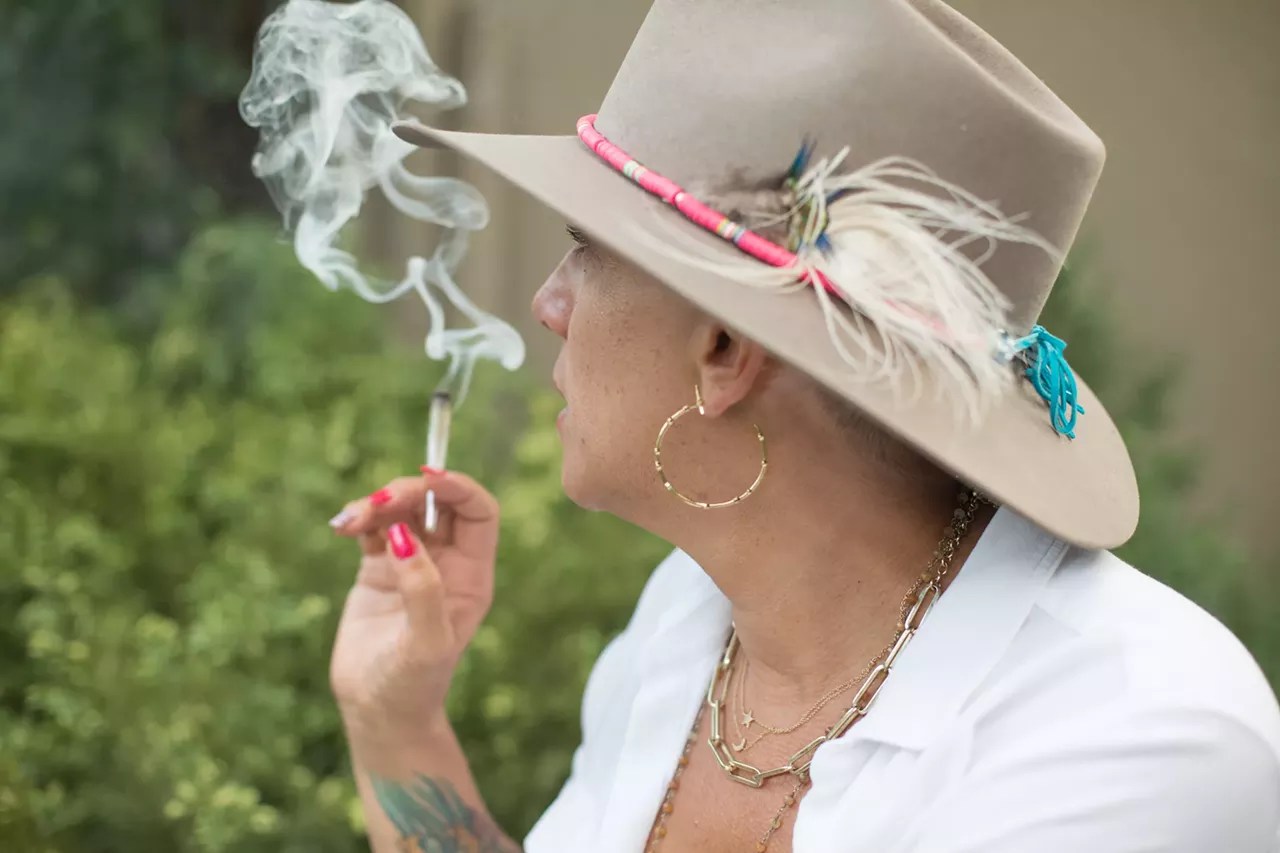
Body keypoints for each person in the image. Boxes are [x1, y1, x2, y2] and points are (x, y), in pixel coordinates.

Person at [327, 1, 1280, 851]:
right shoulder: (690, 619)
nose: (548, 301)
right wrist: (396, 720)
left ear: (725, 347)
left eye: (586, 249)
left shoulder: (1132, 737)